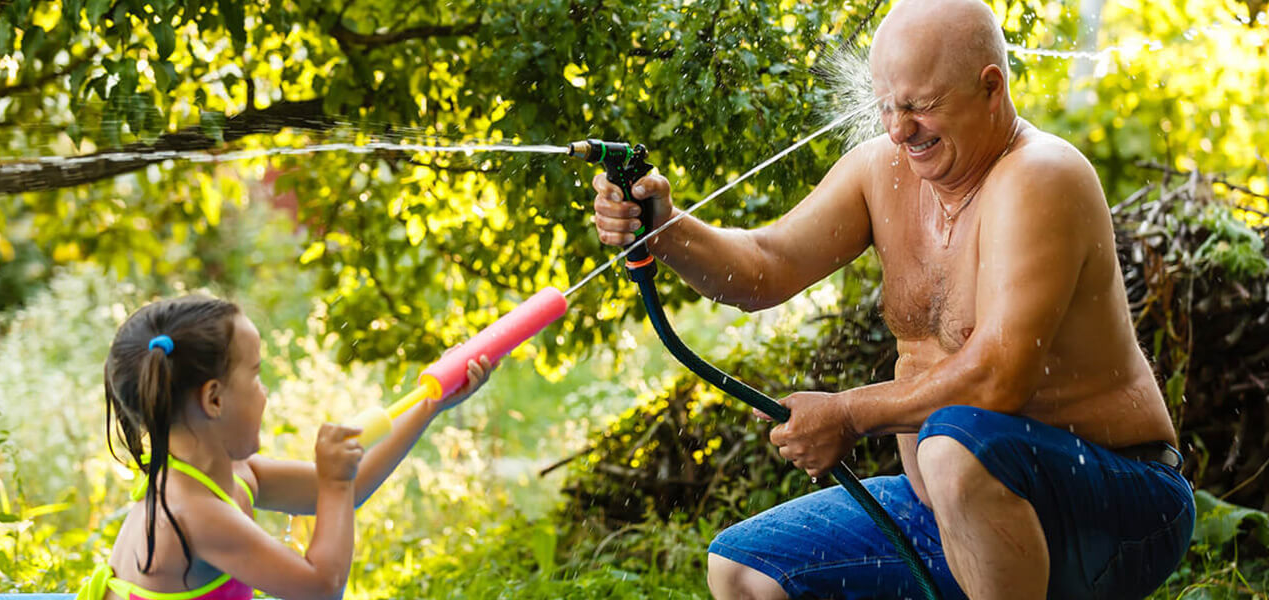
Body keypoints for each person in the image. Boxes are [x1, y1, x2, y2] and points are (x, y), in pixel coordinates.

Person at [589, 0, 1194, 598]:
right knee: (744, 573)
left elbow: (997, 381)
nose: (899, 129)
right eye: (886, 106)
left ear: (991, 88)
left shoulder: (1040, 176)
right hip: (948, 508)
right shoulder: (882, 170)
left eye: (921, 106)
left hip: (1117, 507)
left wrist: (848, 414)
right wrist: (665, 228)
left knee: (954, 445)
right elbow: (762, 270)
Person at [76, 295, 492, 600]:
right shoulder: (193, 515)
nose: (265, 391)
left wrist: (429, 406)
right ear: (214, 399)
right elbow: (321, 588)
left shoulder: (233, 473)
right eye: (256, 375)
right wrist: (333, 484)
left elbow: (354, 486)